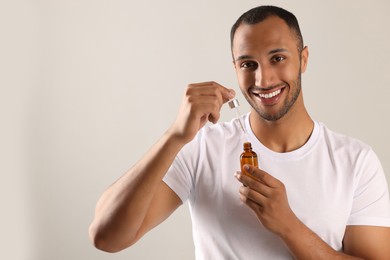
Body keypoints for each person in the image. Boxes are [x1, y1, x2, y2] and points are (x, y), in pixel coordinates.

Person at [89, 5, 390, 259]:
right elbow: (106, 236)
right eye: (248, 64)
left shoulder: (356, 162)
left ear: (304, 58)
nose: (264, 79)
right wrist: (175, 136)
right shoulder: (202, 146)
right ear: (235, 68)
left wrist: (288, 226)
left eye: (278, 58)